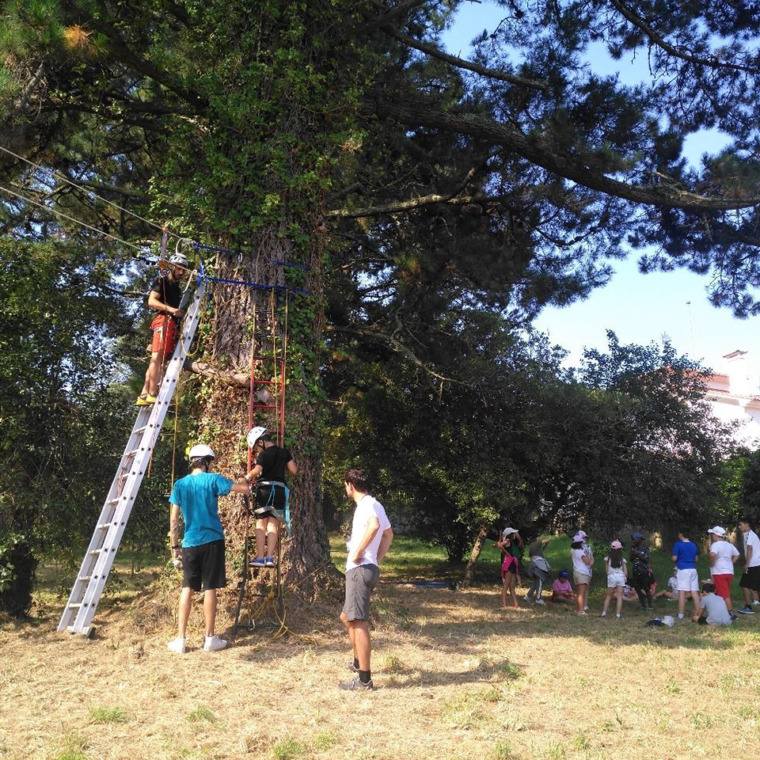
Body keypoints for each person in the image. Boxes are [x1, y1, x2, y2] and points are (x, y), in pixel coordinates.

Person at [167, 444, 250, 653]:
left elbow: (174, 519)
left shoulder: (180, 484)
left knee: (187, 587)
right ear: (206, 461)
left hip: (190, 542)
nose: (212, 465)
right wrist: (244, 479)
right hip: (213, 540)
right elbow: (243, 489)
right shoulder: (213, 479)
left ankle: (180, 640)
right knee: (210, 587)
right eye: (211, 462)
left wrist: (174, 546)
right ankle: (210, 639)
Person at [339, 467, 393, 691]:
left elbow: (375, 526)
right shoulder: (376, 504)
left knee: (359, 622)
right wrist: (375, 559)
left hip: (359, 569)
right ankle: (357, 661)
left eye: (345, 485)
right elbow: (388, 534)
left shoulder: (366, 505)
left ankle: (364, 680)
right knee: (346, 617)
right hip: (368, 568)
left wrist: (359, 552)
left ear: (350, 486)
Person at [137, 253, 189, 405]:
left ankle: (144, 394)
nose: (181, 272)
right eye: (178, 268)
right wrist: (171, 310)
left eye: (183, 270)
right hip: (164, 321)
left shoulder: (176, 288)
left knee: (159, 360)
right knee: (156, 358)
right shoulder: (162, 281)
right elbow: (151, 301)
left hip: (171, 324)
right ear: (172, 266)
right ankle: (152, 393)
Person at [244, 426, 297, 567]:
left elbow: (257, 470)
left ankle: (260, 557)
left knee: (261, 524)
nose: (256, 450)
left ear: (261, 442)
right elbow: (293, 470)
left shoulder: (263, 455)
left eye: (256, 447)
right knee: (273, 525)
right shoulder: (284, 452)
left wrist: (247, 477)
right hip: (280, 491)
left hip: (265, 490)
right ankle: (270, 558)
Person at [707, 526, 739, 617]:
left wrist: (712, 563)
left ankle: (730, 613)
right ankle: (721, 610)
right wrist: (731, 562)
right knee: (723, 591)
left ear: (716, 535)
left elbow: (712, 555)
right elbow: (737, 554)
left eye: (713, 534)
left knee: (724, 594)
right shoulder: (729, 545)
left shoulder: (715, 545)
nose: (712, 536)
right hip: (729, 571)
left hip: (719, 572)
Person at [671, 527, 700, 620]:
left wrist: (675, 559)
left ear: (681, 534)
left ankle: (680, 614)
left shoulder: (678, 544)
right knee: (694, 591)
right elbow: (696, 559)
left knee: (682, 592)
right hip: (693, 569)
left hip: (683, 569)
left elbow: (674, 558)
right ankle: (698, 613)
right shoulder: (693, 545)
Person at [737, 517, 760, 614]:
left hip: (753, 564)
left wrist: (747, 563)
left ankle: (748, 607)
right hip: (755, 563)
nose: (739, 527)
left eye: (740, 524)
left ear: (747, 525)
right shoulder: (748, 534)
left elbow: (749, 548)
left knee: (744, 584)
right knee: (754, 585)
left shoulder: (749, 535)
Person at [601, 540, 627, 619]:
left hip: (612, 577)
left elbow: (607, 571)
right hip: (620, 577)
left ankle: (604, 613)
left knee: (609, 596)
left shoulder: (607, 559)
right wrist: (624, 577)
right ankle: (618, 615)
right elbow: (625, 572)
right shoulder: (622, 559)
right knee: (619, 596)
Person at [497, 527, 522, 609]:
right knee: (507, 584)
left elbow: (499, 545)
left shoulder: (509, 541)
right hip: (509, 563)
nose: (514, 535)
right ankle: (504, 603)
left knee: (511, 585)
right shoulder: (507, 541)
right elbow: (500, 545)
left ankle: (515, 603)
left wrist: (501, 547)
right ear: (509, 535)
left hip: (512, 563)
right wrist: (505, 551)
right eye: (513, 533)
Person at [629, 532, 654, 611]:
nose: (633, 541)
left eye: (635, 539)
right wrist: (632, 554)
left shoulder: (645, 549)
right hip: (635, 571)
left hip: (644, 571)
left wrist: (637, 554)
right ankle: (643, 606)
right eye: (632, 539)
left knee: (646, 589)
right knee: (638, 589)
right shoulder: (633, 548)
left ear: (639, 540)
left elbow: (646, 560)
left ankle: (650, 606)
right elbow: (631, 559)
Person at [525, 535, 551, 605]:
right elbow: (544, 541)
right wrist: (548, 539)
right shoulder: (536, 543)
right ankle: (538, 598)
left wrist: (546, 544)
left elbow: (542, 550)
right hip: (539, 566)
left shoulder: (532, 546)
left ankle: (528, 596)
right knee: (540, 582)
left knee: (535, 582)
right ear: (536, 538)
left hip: (534, 565)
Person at [571, 532, 593, 615]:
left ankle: (577, 609)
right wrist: (591, 558)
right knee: (581, 593)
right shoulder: (581, 552)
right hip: (582, 573)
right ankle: (581, 611)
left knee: (579, 592)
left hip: (576, 572)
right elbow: (588, 562)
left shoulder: (574, 550)